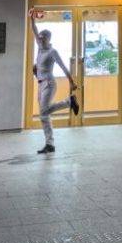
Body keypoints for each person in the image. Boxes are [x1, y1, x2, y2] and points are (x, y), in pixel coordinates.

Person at [29, 9, 79, 154]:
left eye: (43, 38)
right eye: (39, 37)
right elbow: (34, 29)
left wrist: (71, 82)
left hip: (49, 84)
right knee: (44, 115)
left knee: (43, 111)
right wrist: (31, 18)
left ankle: (69, 102)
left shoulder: (53, 52)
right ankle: (49, 144)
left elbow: (63, 66)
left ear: (49, 39)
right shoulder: (39, 48)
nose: (40, 39)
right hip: (40, 84)